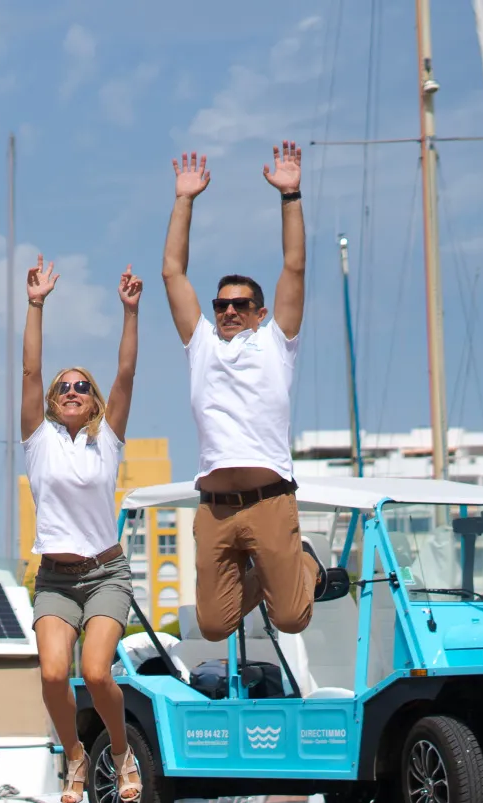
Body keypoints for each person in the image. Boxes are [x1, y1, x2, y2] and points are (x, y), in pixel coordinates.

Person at [162, 141, 320, 643]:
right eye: (221, 304)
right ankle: (277, 575)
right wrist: (184, 200)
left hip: (269, 500)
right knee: (212, 626)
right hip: (215, 506)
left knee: (293, 618)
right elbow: (173, 272)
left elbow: (294, 268)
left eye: (241, 304)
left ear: (260, 312)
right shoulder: (202, 344)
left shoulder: (277, 344)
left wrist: (290, 196)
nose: (229, 312)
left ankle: (305, 566)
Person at [20, 256, 144, 803]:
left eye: (81, 387)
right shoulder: (38, 439)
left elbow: (126, 373)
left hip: (105, 573)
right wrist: (36, 304)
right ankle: (74, 753)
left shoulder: (107, 439)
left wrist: (130, 312)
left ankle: (118, 751)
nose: (72, 391)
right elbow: (28, 371)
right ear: (52, 399)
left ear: (93, 401)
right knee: (52, 675)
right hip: (54, 575)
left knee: (96, 673)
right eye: (63, 387)